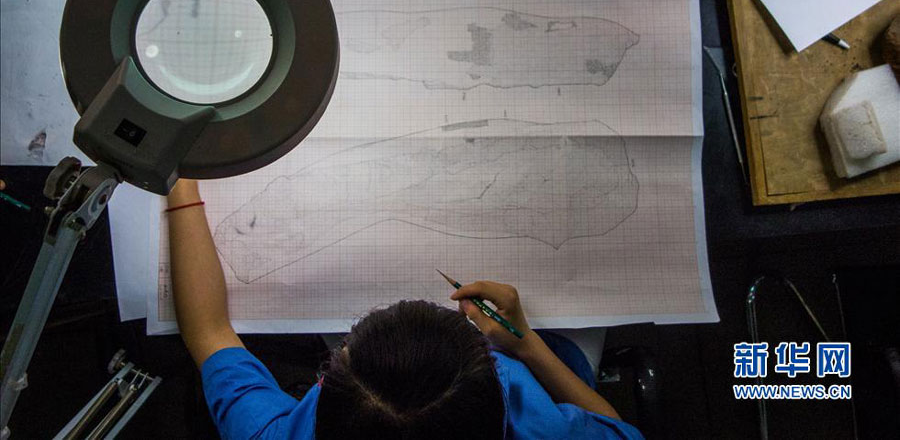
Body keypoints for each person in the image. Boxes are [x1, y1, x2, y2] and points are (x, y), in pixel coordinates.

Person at [167, 179, 643, 439]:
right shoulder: (545, 429)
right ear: (499, 399)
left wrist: (178, 181)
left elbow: (209, 333)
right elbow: (620, 433)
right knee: (575, 347)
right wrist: (528, 346)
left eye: (344, 351)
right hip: (549, 364)